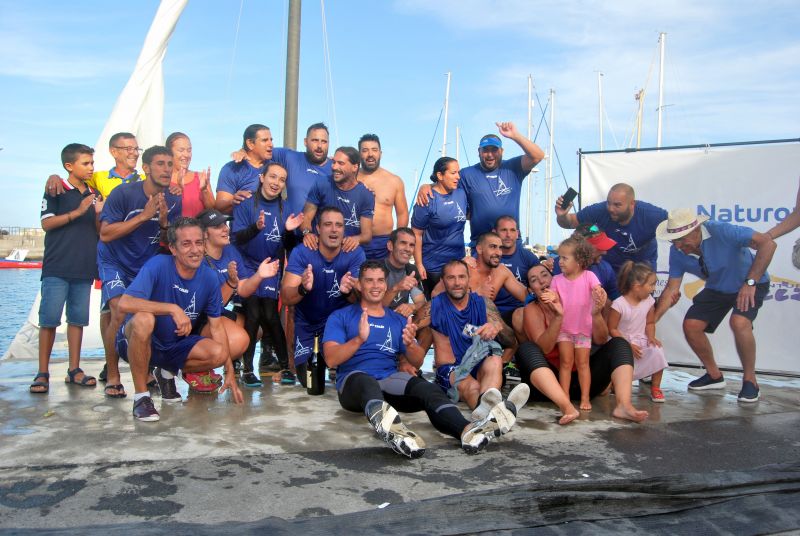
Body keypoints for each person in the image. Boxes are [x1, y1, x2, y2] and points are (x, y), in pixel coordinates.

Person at [324, 260, 521, 457]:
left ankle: (468, 431)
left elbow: (417, 361)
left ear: (386, 284)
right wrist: (359, 339)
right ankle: (392, 431)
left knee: (429, 389)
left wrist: (410, 344)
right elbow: (331, 359)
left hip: (388, 380)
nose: (375, 286)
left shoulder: (398, 320)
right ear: (359, 284)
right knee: (365, 381)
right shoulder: (341, 316)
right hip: (353, 384)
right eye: (369, 281)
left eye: (380, 281)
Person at [116, 218, 244, 422]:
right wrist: (171, 309)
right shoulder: (158, 265)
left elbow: (216, 327)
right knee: (144, 320)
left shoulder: (209, 277)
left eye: (199, 243)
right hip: (138, 341)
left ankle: (166, 371)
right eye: (186, 244)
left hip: (173, 345)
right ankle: (141, 398)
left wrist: (229, 371)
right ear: (173, 249)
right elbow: (124, 303)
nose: (195, 250)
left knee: (218, 353)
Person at [654, 208, 776, 402]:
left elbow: (768, 243)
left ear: (696, 230)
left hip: (750, 283)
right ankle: (714, 375)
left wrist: (750, 282)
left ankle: (750, 381)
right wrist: (650, 322)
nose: (677, 246)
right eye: (673, 240)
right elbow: (671, 289)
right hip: (718, 287)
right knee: (691, 325)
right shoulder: (676, 252)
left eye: (681, 239)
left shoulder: (722, 231)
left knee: (739, 322)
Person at [97, 145, 183, 398]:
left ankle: (144, 369)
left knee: (147, 317)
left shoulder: (174, 199)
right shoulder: (123, 194)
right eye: (160, 164)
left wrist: (166, 224)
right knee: (118, 309)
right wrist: (144, 216)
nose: (166, 169)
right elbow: (105, 233)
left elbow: (169, 240)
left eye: (170, 164)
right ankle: (113, 374)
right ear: (146, 168)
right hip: (114, 260)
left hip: (145, 263)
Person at [517, 264, 649, 423]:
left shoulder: (577, 301)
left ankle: (624, 406)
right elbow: (545, 348)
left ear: (555, 280)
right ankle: (566, 407)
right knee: (526, 349)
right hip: (549, 387)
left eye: (545, 275)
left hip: (583, 381)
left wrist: (596, 314)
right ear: (531, 290)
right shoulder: (532, 309)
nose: (541, 281)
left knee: (619, 344)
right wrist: (558, 317)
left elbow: (600, 339)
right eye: (534, 280)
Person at [31, 144, 103, 394]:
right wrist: (78, 211)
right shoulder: (56, 189)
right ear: (69, 166)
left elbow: (97, 229)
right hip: (57, 267)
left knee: (77, 321)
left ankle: (74, 369)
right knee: (48, 321)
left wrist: (96, 213)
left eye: (92, 163)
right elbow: (47, 223)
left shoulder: (95, 192)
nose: (91, 167)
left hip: (83, 268)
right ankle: (43, 372)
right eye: (86, 163)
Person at [416, 260, 529, 418]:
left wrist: (496, 328)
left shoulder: (483, 304)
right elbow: (409, 331)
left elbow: (511, 341)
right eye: (451, 278)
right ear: (443, 281)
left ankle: (488, 411)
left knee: (495, 360)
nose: (457, 283)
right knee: (473, 386)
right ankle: (497, 413)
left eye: (461, 277)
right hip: (451, 370)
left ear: (468, 279)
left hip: (479, 364)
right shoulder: (433, 307)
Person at [231, 163, 304, 386]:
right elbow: (237, 239)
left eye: (281, 180)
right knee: (252, 315)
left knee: (271, 316)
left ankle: (286, 367)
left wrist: (291, 231)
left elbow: (290, 245)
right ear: (262, 178)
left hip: (271, 265)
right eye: (272, 177)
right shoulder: (245, 203)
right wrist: (256, 227)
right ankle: (247, 369)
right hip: (247, 265)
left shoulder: (286, 207)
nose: (276, 183)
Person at [417, 122, 544, 245]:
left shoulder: (513, 168)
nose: (490, 155)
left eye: (494, 150)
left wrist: (515, 135)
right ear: (479, 151)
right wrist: (428, 186)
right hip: (480, 245)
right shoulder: (467, 174)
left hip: (510, 244)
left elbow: (538, 156)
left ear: (502, 151)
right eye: (485, 150)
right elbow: (445, 183)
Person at [281, 207, 366, 385]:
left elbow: (362, 301)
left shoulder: (354, 253)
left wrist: (349, 291)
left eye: (339, 225)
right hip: (308, 324)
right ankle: (304, 362)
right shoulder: (302, 252)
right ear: (318, 229)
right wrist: (302, 288)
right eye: (328, 224)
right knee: (310, 383)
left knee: (351, 378)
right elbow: (287, 298)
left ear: (344, 230)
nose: (334, 229)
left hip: (338, 325)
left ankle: (336, 360)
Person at [193, 209, 275, 392]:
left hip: (216, 314)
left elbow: (244, 289)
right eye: (218, 226)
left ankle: (220, 362)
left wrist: (259, 275)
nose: (225, 229)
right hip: (196, 320)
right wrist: (230, 283)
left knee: (256, 331)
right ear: (204, 234)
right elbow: (208, 308)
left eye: (225, 224)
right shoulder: (196, 258)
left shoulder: (230, 250)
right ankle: (194, 368)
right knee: (239, 340)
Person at [555, 183, 668, 272]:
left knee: (642, 298)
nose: (611, 209)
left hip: (642, 268)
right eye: (609, 203)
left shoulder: (652, 215)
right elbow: (569, 222)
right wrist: (562, 215)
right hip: (611, 267)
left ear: (632, 204)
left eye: (617, 205)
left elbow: (677, 228)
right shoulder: (599, 210)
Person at [549, 236, 601, 410]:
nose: (560, 262)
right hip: (564, 329)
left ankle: (585, 398)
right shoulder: (556, 279)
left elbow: (597, 289)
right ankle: (565, 398)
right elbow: (554, 295)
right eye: (560, 257)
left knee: (583, 364)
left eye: (565, 258)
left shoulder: (589, 276)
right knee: (565, 362)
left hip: (583, 329)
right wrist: (550, 297)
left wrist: (599, 293)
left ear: (578, 260)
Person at [608, 261, 668, 402]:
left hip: (641, 340)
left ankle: (655, 387)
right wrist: (627, 344)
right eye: (651, 285)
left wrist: (651, 337)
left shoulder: (649, 302)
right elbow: (612, 329)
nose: (653, 289)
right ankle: (615, 383)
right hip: (621, 342)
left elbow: (650, 322)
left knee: (657, 351)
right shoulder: (619, 304)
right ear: (636, 287)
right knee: (616, 363)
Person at [411, 157, 468, 298]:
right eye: (453, 173)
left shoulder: (461, 193)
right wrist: (418, 264)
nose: (458, 177)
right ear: (440, 176)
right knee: (435, 308)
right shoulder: (426, 199)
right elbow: (416, 234)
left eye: (458, 172)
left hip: (457, 263)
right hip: (434, 267)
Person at [301, 146, 374, 252]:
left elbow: (367, 235)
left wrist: (356, 239)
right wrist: (307, 233)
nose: (334, 167)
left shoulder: (366, 194)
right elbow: (306, 217)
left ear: (354, 167)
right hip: (319, 250)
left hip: (347, 252)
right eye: (334, 162)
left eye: (341, 163)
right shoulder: (321, 184)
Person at [356, 134, 409, 260]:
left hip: (384, 243)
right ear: (359, 154)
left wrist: (398, 242)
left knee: (385, 280)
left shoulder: (394, 181)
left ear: (380, 153)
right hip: (355, 241)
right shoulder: (350, 178)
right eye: (365, 150)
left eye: (374, 150)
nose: (370, 154)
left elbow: (402, 214)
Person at [45, 132, 144, 199]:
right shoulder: (97, 177)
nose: (135, 153)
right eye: (129, 149)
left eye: (136, 149)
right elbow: (74, 180)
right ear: (114, 152)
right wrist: (54, 177)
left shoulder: (145, 179)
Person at [550, 223, 621, 308]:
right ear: (583, 249)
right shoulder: (555, 267)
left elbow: (616, 299)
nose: (604, 252)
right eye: (599, 248)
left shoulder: (605, 268)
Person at [215, 124, 273, 213]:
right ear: (250, 143)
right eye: (265, 140)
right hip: (243, 226)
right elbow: (219, 206)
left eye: (271, 140)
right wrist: (233, 201)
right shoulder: (231, 168)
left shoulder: (275, 166)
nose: (271, 144)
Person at [165, 132, 215, 217]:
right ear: (169, 152)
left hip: (198, 229)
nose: (186, 155)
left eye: (189, 150)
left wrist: (204, 191)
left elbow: (213, 211)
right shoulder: (162, 179)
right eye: (181, 150)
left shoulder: (200, 177)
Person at [381, 227, 426, 318]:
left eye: (411, 245)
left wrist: (412, 307)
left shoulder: (411, 270)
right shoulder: (376, 268)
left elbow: (421, 302)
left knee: (431, 310)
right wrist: (397, 288)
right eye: (403, 243)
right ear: (390, 246)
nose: (408, 249)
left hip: (400, 321)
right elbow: (373, 306)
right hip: (378, 319)